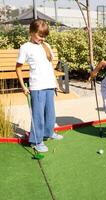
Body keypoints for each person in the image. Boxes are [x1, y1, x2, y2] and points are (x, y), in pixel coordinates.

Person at [16, 19, 63, 153]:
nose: (42, 38)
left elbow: (49, 67)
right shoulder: (25, 47)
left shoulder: (46, 45)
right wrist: (23, 86)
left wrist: (55, 83)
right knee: (38, 115)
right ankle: (36, 141)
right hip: (37, 86)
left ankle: (49, 133)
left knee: (50, 113)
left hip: (49, 84)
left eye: (44, 35)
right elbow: (18, 68)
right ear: (31, 32)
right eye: (40, 35)